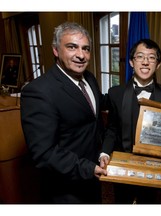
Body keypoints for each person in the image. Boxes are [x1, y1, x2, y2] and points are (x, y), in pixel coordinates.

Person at [20, 22, 107, 203]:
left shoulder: (89, 78)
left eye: (86, 49)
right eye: (72, 47)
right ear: (56, 50)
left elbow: (93, 115)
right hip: (65, 189)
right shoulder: (38, 91)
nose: (81, 55)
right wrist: (87, 168)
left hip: (93, 178)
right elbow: (44, 152)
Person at [99, 39, 161, 203]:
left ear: (158, 64)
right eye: (140, 56)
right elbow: (112, 129)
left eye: (151, 57)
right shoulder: (115, 93)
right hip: (122, 164)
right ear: (131, 62)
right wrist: (105, 152)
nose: (145, 62)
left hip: (153, 167)